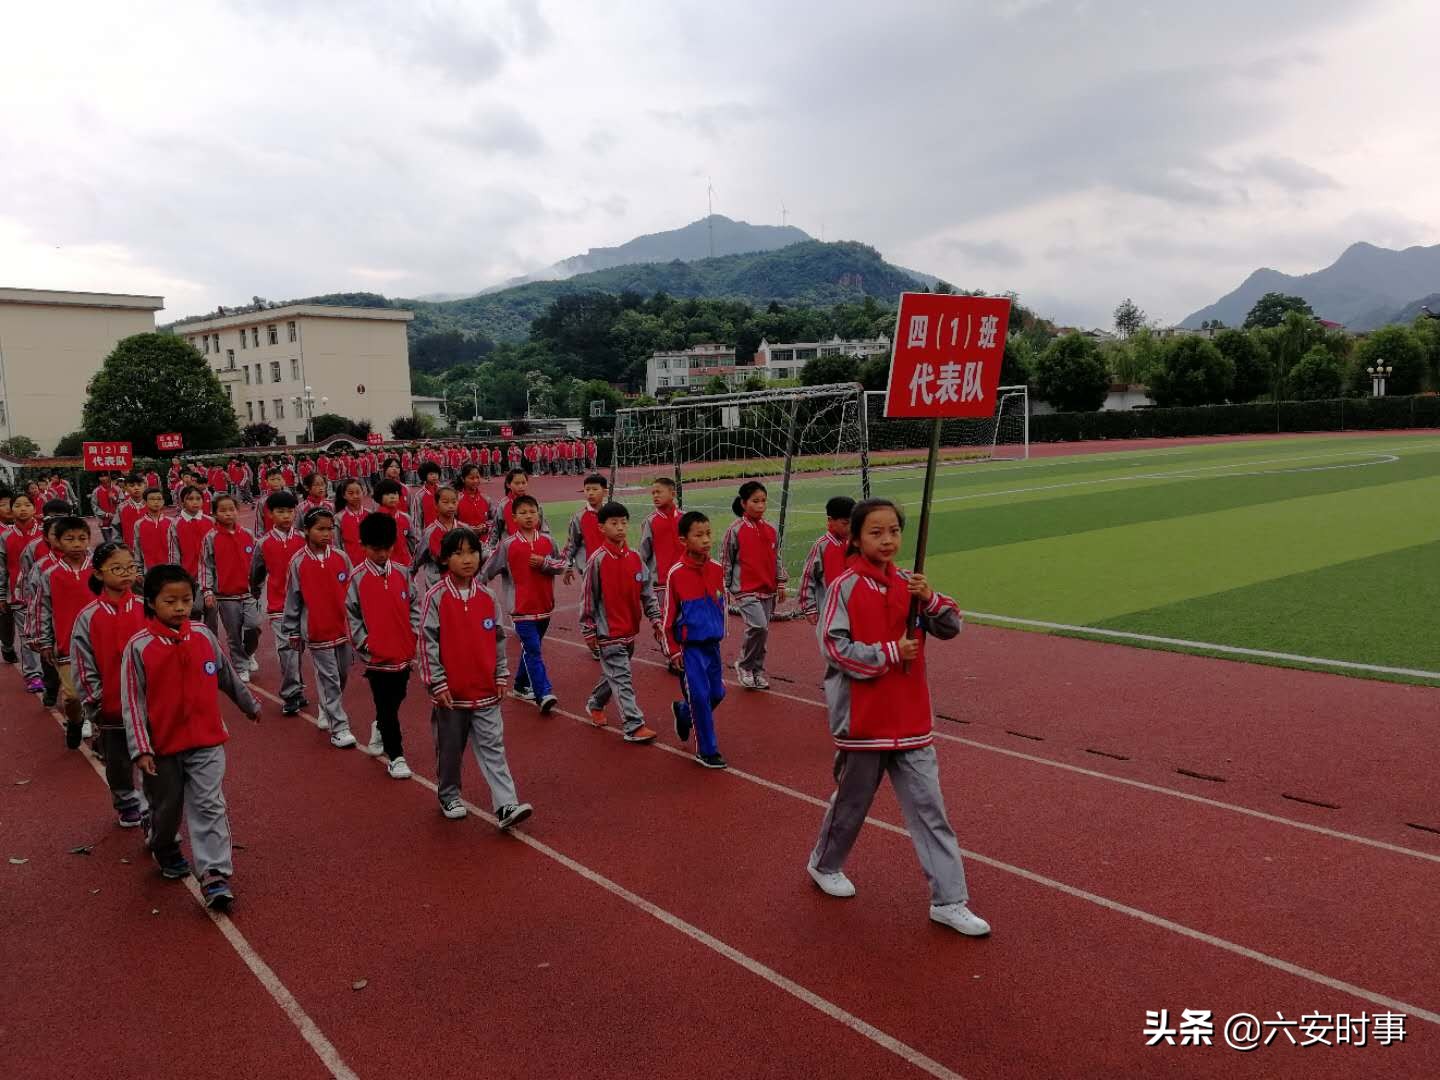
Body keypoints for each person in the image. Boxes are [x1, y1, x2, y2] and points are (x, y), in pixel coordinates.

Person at [806, 498, 990, 937]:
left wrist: (931, 599)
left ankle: (950, 900)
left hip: (910, 721)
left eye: (893, 531)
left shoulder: (911, 584)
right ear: (856, 538)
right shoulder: (844, 587)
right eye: (875, 532)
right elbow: (834, 648)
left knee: (931, 811)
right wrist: (888, 653)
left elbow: (950, 626)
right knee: (851, 805)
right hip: (864, 722)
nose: (887, 540)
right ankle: (824, 863)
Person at [122, 564, 261, 910]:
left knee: (209, 804)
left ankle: (214, 874)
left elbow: (226, 675)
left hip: (206, 741)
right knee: (166, 810)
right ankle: (163, 844)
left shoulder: (202, 635)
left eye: (186, 599)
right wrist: (141, 748)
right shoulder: (139, 647)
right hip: (162, 747)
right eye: (171, 601)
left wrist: (249, 704)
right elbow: (133, 703)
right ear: (151, 602)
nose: (181, 607)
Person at [417, 527, 533, 829]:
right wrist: (437, 682)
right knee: (451, 749)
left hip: (485, 690)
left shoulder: (487, 596)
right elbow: (427, 642)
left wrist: (501, 674)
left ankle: (506, 804)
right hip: (452, 693)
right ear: (445, 558)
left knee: (494, 746)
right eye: (458, 553)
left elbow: (497, 639)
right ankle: (449, 794)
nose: (467, 559)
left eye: (472, 552)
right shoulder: (436, 597)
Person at [70, 542, 149, 827]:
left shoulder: (146, 608)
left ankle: (153, 801)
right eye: (117, 568)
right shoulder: (89, 616)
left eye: (130, 567)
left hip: (152, 701)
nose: (126, 574)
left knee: (158, 755)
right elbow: (82, 664)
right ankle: (126, 800)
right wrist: (96, 701)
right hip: (112, 704)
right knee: (118, 760)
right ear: (100, 574)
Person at [579, 502, 662, 743]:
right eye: (614, 523)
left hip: (629, 632)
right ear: (601, 528)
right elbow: (587, 599)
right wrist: (589, 631)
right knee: (622, 677)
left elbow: (647, 591)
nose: (620, 527)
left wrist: (655, 618)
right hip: (608, 633)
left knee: (614, 674)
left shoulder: (635, 557)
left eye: (624, 522)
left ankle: (595, 702)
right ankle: (633, 725)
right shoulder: (597, 560)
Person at [345, 513, 418, 777]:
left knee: (397, 697)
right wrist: (366, 642)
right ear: (364, 546)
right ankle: (396, 756)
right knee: (387, 704)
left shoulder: (402, 572)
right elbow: (351, 615)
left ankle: (379, 725)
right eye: (376, 549)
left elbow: (414, 604)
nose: (383, 554)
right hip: (376, 658)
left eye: (387, 549)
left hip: (403, 651)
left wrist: (413, 634)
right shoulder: (357, 577)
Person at [481, 493, 564, 713]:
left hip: (545, 606)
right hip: (521, 609)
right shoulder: (508, 545)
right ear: (514, 518)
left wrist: (545, 563)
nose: (529, 516)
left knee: (530, 650)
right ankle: (543, 692)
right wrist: (475, 590)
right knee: (534, 650)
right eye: (523, 513)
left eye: (532, 512)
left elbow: (562, 563)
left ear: (539, 515)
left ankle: (519, 685)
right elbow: (488, 569)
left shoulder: (548, 541)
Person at [280, 508, 356, 747]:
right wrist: (292, 630)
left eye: (329, 528)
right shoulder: (298, 562)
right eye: (319, 529)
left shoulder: (341, 557)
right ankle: (339, 727)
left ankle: (326, 706)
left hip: (342, 628)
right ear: (306, 531)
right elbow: (292, 598)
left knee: (342, 675)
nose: (326, 534)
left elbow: (353, 593)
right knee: (329, 678)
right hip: (316, 630)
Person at [660, 511, 728, 769]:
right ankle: (707, 751)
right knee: (699, 696)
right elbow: (668, 617)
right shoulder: (676, 574)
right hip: (689, 650)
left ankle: (683, 712)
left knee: (717, 693)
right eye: (698, 535)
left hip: (712, 646)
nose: (706, 540)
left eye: (708, 534)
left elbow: (721, 603)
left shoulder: (717, 569)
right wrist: (673, 651)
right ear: (683, 540)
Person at [31, 515, 94, 749]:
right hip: (67, 645)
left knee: (102, 693)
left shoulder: (100, 570)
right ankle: (76, 721)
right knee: (72, 697)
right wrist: (45, 641)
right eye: (70, 539)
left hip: (100, 641)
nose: (77, 544)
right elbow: (42, 609)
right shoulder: (50, 574)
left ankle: (101, 733)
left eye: (82, 538)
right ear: (56, 541)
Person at [721, 481, 785, 690]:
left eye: (763, 501)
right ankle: (745, 665)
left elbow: (776, 558)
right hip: (745, 589)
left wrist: (781, 582)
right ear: (743, 503)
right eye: (755, 501)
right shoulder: (735, 530)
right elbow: (726, 560)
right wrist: (725, 587)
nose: (760, 505)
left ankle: (757, 671)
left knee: (763, 632)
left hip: (768, 588)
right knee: (758, 626)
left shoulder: (771, 529)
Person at [249, 490, 308, 716]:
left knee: (299, 649)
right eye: (280, 512)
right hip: (278, 606)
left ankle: (297, 688)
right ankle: (291, 694)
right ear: (270, 514)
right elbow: (256, 573)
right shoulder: (263, 544)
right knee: (287, 650)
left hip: (304, 604)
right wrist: (254, 594)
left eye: (290, 511)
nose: (286, 516)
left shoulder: (303, 540)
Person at [200, 494, 262, 683]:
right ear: (215, 514)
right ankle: (241, 666)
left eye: (231, 509)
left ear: (238, 510)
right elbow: (205, 565)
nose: (228, 514)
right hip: (226, 596)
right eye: (223, 510)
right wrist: (208, 590)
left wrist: (258, 585)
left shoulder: (248, 535)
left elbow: (258, 564)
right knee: (233, 634)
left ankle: (248, 653)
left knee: (254, 627)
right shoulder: (210, 538)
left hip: (248, 593)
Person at [639, 477, 684, 672]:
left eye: (659, 492)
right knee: (667, 620)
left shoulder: (685, 518)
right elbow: (643, 553)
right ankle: (671, 655)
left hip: (683, 580)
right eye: (653, 493)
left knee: (683, 619)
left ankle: (680, 651)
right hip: (660, 582)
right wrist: (640, 579)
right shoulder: (650, 521)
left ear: (673, 493)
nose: (655, 496)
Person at [1, 490, 40, 673]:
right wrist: (1, 595)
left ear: (34, 508)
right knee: (27, 635)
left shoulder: (45, 533)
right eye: (17, 506)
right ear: (12, 509)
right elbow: (1, 569)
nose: (22, 509)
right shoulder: (5, 537)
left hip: (45, 594)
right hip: (19, 595)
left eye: (27, 505)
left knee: (44, 635)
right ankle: (33, 674)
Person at [798, 496, 855, 621]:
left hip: (854, 607)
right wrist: (809, 607)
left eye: (853, 522)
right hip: (830, 610)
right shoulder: (821, 546)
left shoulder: (856, 543)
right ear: (830, 520)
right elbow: (808, 577)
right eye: (845, 523)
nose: (850, 527)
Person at [175, 485, 219, 633]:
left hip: (209, 576)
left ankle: (211, 643)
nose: (195, 502)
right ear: (182, 502)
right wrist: (177, 576)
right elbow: (173, 553)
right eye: (190, 499)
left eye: (198, 498)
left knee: (211, 612)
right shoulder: (175, 524)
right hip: (188, 576)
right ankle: (192, 641)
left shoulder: (210, 521)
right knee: (193, 611)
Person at [562, 473, 609, 587]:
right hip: (589, 568)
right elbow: (571, 544)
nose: (590, 493)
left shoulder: (611, 515)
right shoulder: (579, 517)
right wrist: (568, 566)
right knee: (592, 602)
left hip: (610, 566)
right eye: (587, 489)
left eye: (595, 489)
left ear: (605, 492)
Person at [131, 488, 178, 575]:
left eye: (159, 499)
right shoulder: (139, 524)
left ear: (163, 501)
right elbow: (137, 549)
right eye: (152, 499)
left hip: (171, 570)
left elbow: (177, 548)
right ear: (145, 502)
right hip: (148, 571)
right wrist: (138, 572)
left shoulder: (172, 522)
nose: (156, 502)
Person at [370, 479, 413, 568]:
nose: (393, 497)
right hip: (384, 565)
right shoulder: (374, 519)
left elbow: (412, 540)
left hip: (405, 563)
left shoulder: (405, 517)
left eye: (395, 493)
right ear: (379, 497)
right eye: (387, 494)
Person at [334, 478, 370, 565]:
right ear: (344, 495)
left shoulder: (370, 514)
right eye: (350, 493)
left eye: (358, 492)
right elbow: (336, 544)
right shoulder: (338, 517)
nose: (355, 496)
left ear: (363, 492)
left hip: (370, 561)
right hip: (350, 564)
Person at [454, 464, 491, 536]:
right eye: (471, 478)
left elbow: (494, 519)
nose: (475, 481)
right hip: (463, 539)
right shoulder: (456, 499)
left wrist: (485, 526)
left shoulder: (486, 498)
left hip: (484, 541)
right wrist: (468, 528)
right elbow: (451, 520)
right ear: (463, 479)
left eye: (477, 477)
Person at [90, 473, 120, 543]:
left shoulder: (117, 489)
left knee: (117, 542)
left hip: (116, 521)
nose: (103, 478)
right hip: (104, 521)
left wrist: (114, 498)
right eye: (101, 476)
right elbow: (94, 506)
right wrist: (106, 514)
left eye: (105, 476)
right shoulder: (96, 491)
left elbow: (123, 502)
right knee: (108, 542)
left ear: (109, 476)